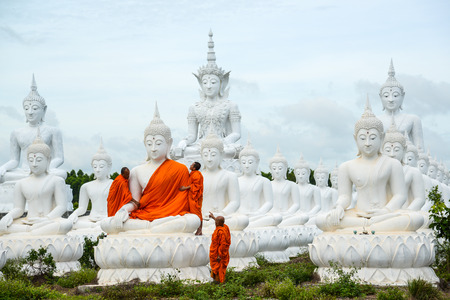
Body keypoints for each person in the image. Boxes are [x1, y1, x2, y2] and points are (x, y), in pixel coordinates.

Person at [316, 99, 423, 232]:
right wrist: (338, 207)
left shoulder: (392, 164)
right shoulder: (347, 167)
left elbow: (400, 195)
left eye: (372, 138)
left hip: (384, 215)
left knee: (415, 219)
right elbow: (345, 197)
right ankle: (370, 227)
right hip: (358, 214)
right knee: (321, 220)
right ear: (355, 139)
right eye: (362, 138)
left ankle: (360, 229)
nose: (367, 143)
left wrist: (385, 211)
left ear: (382, 138)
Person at [100, 104, 199, 234]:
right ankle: (153, 228)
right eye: (149, 143)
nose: (153, 148)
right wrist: (123, 209)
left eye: (158, 143)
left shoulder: (180, 169)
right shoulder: (136, 171)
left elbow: (184, 200)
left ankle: (151, 229)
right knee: (108, 223)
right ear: (144, 144)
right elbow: (135, 202)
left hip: (171, 217)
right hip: (145, 216)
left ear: (169, 143)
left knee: (192, 220)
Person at [174, 31, 242, 160]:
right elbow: (192, 136)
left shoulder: (230, 105)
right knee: (184, 152)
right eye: (205, 82)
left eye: (213, 82)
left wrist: (223, 142)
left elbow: (236, 133)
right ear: (201, 85)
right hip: (200, 146)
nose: (209, 86)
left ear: (221, 84)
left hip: (223, 144)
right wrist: (183, 142)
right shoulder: (194, 107)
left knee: (235, 151)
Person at [0, 133, 72, 235]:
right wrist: (8, 216)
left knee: (66, 224)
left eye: (38, 160)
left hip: (48, 221)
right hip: (28, 221)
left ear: (48, 160)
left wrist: (46, 219)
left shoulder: (56, 180)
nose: (34, 164)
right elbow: (19, 209)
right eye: (31, 160)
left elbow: (61, 207)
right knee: (1, 225)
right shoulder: (21, 183)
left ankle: (28, 233)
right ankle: (32, 232)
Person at [0, 75, 66, 183]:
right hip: (24, 171)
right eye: (26, 108)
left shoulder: (53, 131)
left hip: (45, 170)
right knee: (2, 176)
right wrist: (3, 167)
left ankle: (39, 175)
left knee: (61, 174)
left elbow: (59, 158)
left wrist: (46, 168)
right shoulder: (16, 132)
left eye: (35, 108)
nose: (30, 112)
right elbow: (14, 160)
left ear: (44, 110)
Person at [377, 60, 424, 152]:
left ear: (403, 96)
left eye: (395, 95)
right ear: (380, 97)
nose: (391, 99)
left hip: (406, 161)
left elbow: (420, 150)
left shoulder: (413, 119)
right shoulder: (375, 121)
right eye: (386, 96)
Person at [238, 140, 281, 228]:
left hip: (257, 216)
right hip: (240, 216)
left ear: (257, 162)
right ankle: (246, 224)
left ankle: (248, 225)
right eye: (243, 162)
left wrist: (258, 213)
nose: (246, 165)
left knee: (277, 217)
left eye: (250, 162)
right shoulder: (236, 180)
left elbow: (269, 203)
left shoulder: (264, 181)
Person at [180, 162, 204, 235]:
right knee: (194, 213)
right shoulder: (192, 174)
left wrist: (185, 188)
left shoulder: (197, 174)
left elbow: (197, 186)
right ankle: (197, 229)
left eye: (191, 165)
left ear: (194, 168)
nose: (190, 166)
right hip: (191, 195)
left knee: (197, 213)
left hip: (195, 197)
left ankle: (199, 230)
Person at [209, 212, 231, 283]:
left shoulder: (221, 232)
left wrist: (219, 255)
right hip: (216, 251)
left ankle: (220, 281)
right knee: (216, 266)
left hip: (219, 253)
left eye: (216, 222)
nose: (215, 223)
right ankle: (216, 280)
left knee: (219, 266)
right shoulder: (225, 227)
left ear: (218, 223)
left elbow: (223, 244)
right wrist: (213, 217)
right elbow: (220, 221)